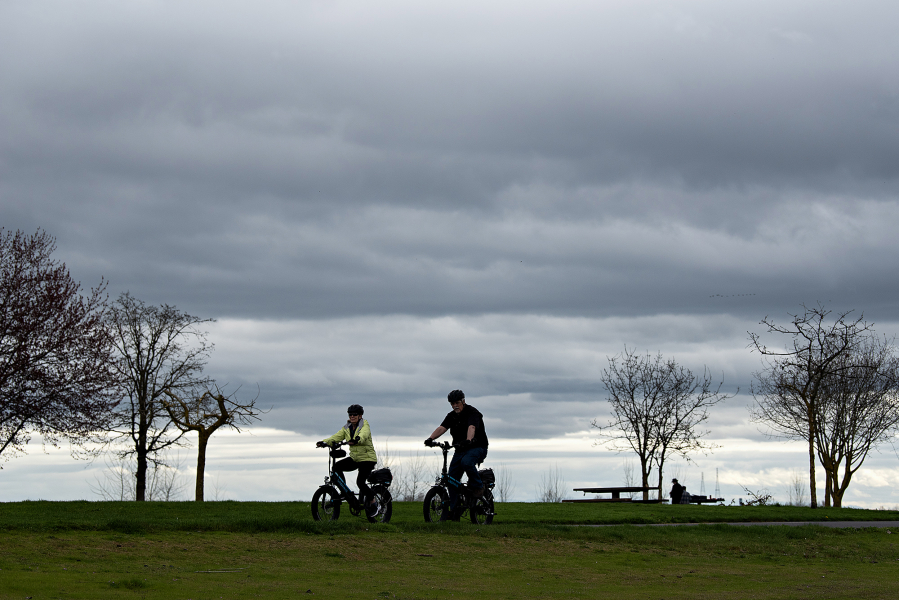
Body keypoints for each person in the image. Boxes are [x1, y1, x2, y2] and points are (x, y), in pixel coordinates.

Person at [424, 390, 489, 519]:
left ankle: (478, 487)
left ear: (463, 401)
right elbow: (442, 427)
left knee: (466, 462)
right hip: (460, 449)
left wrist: (468, 440)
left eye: (457, 403)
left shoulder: (472, 413)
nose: (455, 406)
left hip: (477, 447)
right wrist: (430, 439)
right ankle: (454, 511)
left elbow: (472, 427)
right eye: (452, 403)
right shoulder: (451, 416)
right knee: (451, 479)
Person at [317, 404, 378, 515]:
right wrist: (324, 442)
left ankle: (373, 502)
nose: (352, 416)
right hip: (355, 459)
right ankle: (343, 492)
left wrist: (357, 439)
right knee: (336, 467)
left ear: (360, 416)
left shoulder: (364, 425)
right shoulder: (347, 428)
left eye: (355, 414)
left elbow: (364, 434)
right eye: (350, 414)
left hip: (367, 459)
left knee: (360, 482)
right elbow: (336, 437)